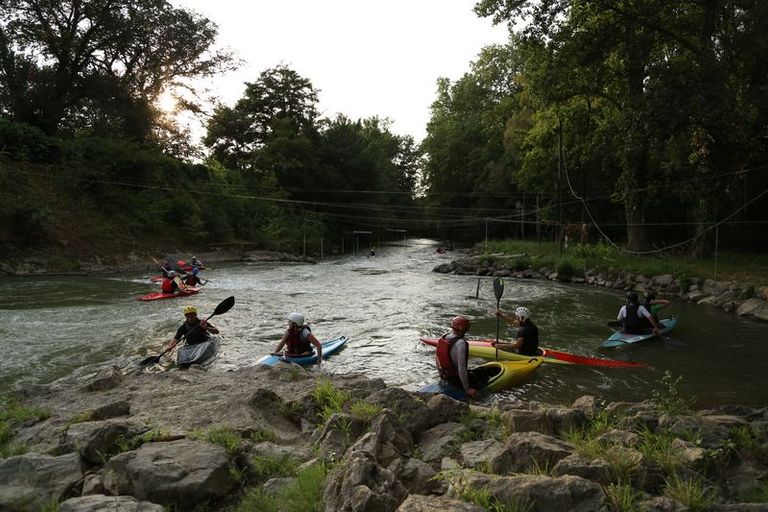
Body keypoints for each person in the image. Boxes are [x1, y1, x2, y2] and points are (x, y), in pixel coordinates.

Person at [434, 316, 489, 398]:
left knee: (477, 370)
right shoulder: (461, 343)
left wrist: (441, 375)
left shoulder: (443, 338)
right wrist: (467, 388)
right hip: (457, 380)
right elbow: (461, 368)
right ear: (464, 330)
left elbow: (436, 357)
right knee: (484, 374)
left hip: (446, 376)